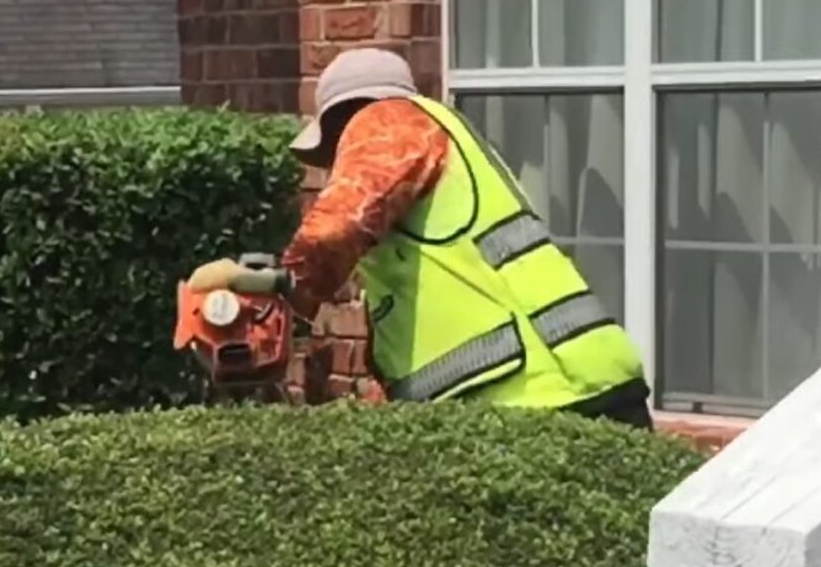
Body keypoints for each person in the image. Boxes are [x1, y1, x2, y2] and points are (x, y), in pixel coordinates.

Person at [189, 48, 652, 429]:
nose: (334, 164)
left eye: (332, 150)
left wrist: (279, 295)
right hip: (571, 387)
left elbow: (335, 226)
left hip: (545, 395)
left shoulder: (389, 121)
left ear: (341, 123)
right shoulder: (436, 174)